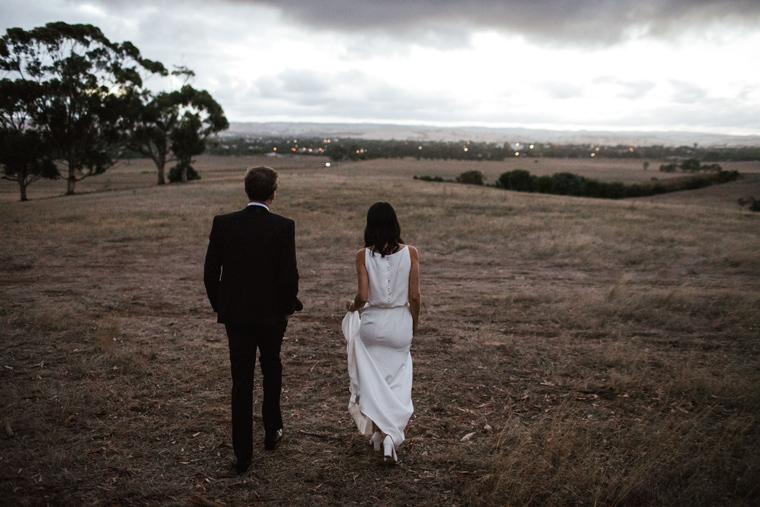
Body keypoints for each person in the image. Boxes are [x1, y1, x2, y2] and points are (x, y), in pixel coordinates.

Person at [204, 166, 301, 475]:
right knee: (272, 367)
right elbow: (289, 276)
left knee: (241, 380)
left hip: (236, 315)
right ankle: (272, 432)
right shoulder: (283, 226)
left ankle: (243, 456)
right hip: (272, 316)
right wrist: (287, 308)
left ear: (246, 191)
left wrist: (222, 305)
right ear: (273, 193)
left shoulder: (224, 224)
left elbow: (210, 273)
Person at [343, 202, 421, 463]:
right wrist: (415, 321)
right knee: (397, 380)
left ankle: (379, 434)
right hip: (400, 323)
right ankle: (389, 436)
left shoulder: (362, 255)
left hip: (373, 326)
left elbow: (363, 297)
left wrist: (352, 306)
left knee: (373, 382)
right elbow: (415, 295)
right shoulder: (411, 253)